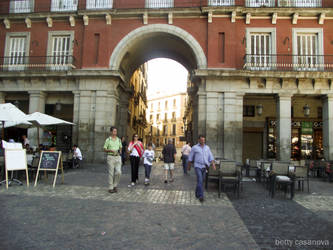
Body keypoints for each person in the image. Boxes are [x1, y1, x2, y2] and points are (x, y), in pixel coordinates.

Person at [188, 135, 216, 203]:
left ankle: (197, 192)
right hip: (197, 166)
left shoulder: (207, 148)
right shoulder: (194, 147)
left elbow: (211, 157)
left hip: (205, 166)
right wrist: (188, 166)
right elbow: (190, 157)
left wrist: (213, 165)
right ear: (199, 140)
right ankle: (201, 196)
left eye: (204, 140)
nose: (203, 141)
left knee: (201, 181)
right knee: (200, 180)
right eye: (201, 140)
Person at [103, 126, 122, 194]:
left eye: (116, 131)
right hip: (110, 157)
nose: (115, 133)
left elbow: (120, 147)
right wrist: (110, 150)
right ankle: (111, 187)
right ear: (111, 132)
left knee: (119, 172)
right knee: (111, 173)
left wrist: (120, 151)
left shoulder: (119, 140)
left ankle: (115, 185)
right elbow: (104, 149)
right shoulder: (108, 140)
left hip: (117, 157)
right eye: (114, 131)